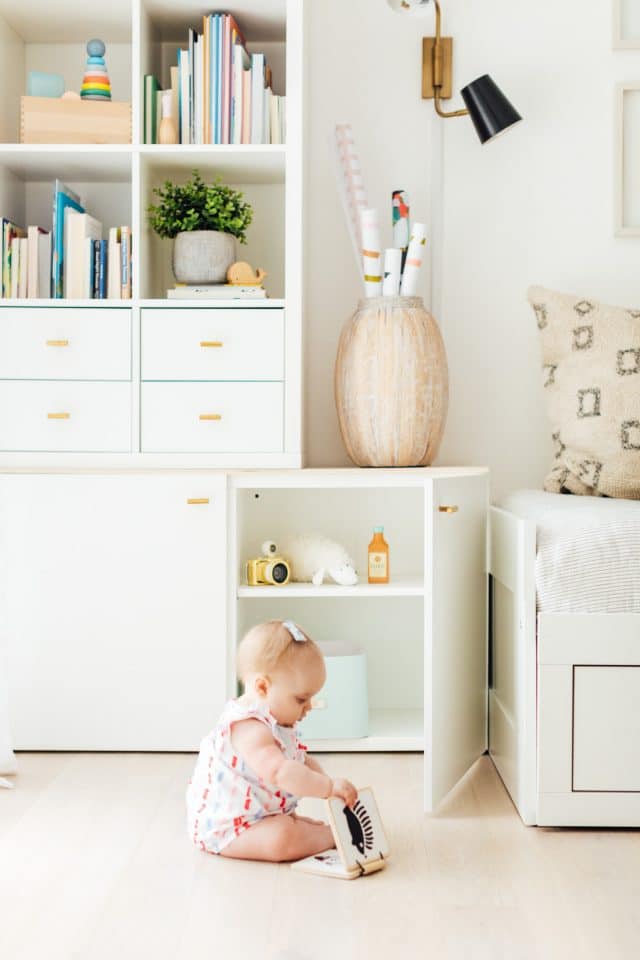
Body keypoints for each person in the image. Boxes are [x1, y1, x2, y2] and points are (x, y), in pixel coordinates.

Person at [186, 619, 358, 862]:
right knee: (281, 839)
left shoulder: (277, 723)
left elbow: (300, 761)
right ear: (263, 688)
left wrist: (327, 785)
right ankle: (332, 837)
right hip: (228, 829)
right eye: (300, 699)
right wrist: (327, 788)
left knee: (285, 827)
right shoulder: (249, 728)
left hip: (259, 815)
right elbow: (281, 771)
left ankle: (306, 831)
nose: (308, 707)